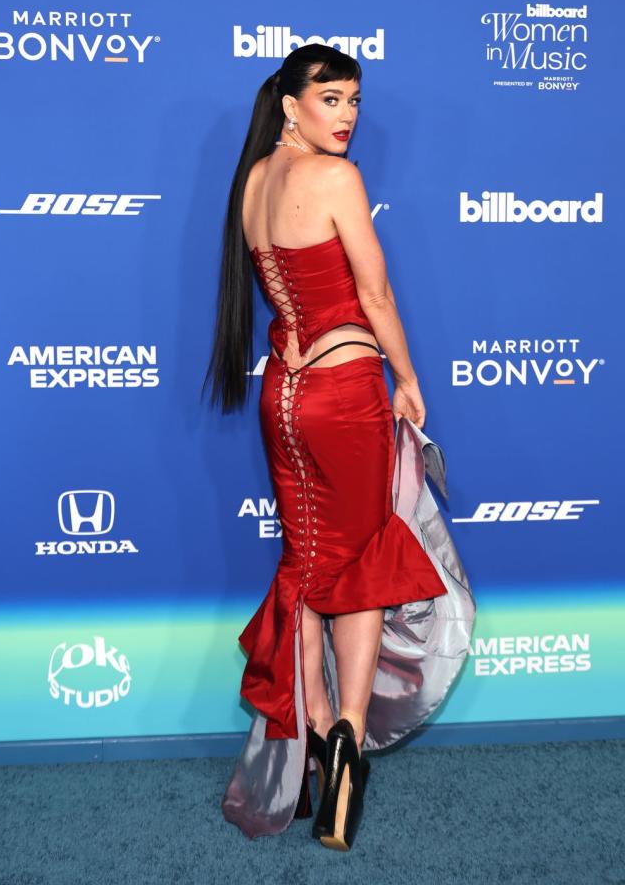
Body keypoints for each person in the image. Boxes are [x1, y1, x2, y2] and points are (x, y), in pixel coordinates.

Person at [203, 43, 473, 850]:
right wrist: (409, 375)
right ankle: (348, 742)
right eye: (331, 99)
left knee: (308, 560)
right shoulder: (336, 180)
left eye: (355, 100)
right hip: (344, 390)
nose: (348, 115)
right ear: (290, 104)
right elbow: (375, 292)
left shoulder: (253, 183)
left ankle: (315, 730)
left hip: (281, 396)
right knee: (358, 566)